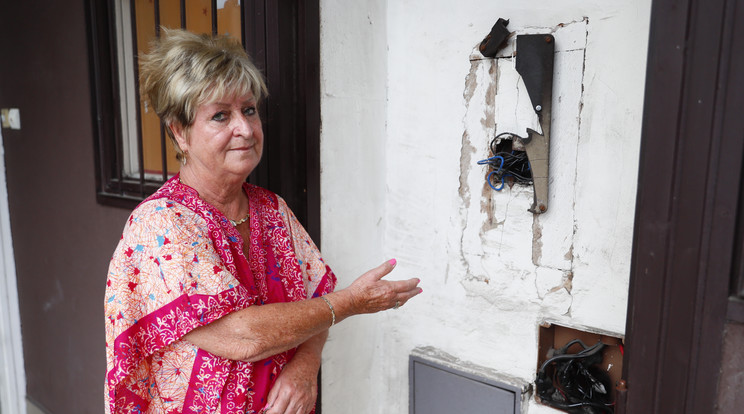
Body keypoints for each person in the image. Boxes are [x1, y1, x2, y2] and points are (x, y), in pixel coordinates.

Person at [104, 29, 422, 414]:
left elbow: (315, 301)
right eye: (220, 115)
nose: (245, 128)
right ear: (179, 132)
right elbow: (242, 336)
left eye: (249, 110)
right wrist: (351, 302)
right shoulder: (161, 225)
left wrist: (305, 368)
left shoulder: (272, 209)